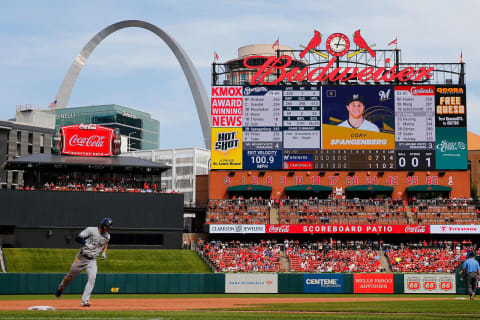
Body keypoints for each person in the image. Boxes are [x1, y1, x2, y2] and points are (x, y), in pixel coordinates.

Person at [55, 218, 112, 307]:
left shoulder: (107, 236)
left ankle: (85, 301)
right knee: (70, 276)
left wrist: (104, 252)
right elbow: (78, 238)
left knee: (92, 278)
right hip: (81, 257)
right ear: (102, 224)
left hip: (92, 260)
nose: (107, 228)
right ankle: (60, 289)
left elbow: (105, 243)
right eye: (106, 226)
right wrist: (86, 244)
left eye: (109, 227)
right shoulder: (91, 230)